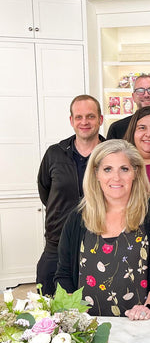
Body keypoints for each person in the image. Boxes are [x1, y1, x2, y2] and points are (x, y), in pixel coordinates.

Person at [54, 140, 150, 320]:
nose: (116, 178)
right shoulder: (78, 217)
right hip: (90, 327)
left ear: (135, 173)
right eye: (107, 169)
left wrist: (149, 307)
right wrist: (74, 311)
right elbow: (64, 273)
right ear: (96, 173)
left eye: (124, 169)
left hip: (143, 323)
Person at [37, 95, 105, 295]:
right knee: (49, 303)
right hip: (56, 243)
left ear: (100, 120)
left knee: (94, 307)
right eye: (79, 117)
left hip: (100, 242)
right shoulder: (54, 153)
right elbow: (45, 191)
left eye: (90, 116)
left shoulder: (112, 153)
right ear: (71, 120)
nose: (84, 122)